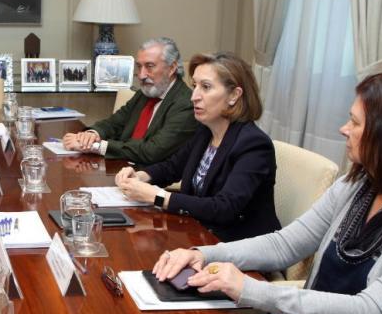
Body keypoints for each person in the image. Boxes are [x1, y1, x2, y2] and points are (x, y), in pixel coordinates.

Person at [152, 72, 382, 314]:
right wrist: (203, 254)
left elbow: (369, 312)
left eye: (355, 123)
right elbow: (285, 245)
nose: (344, 129)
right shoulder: (355, 185)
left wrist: (254, 290)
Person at [116, 52, 280, 242]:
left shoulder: (254, 144)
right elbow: (172, 167)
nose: (194, 97)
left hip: (240, 246)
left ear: (234, 95)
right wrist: (140, 176)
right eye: (195, 86)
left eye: (206, 87)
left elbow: (224, 207)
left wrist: (158, 196)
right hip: (200, 234)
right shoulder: (206, 131)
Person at [62, 37, 197, 163]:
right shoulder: (144, 93)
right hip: (120, 166)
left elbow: (153, 151)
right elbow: (114, 123)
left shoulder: (186, 104)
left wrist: (96, 146)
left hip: (151, 175)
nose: (141, 75)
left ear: (172, 68)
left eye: (150, 66)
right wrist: (91, 135)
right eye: (139, 66)